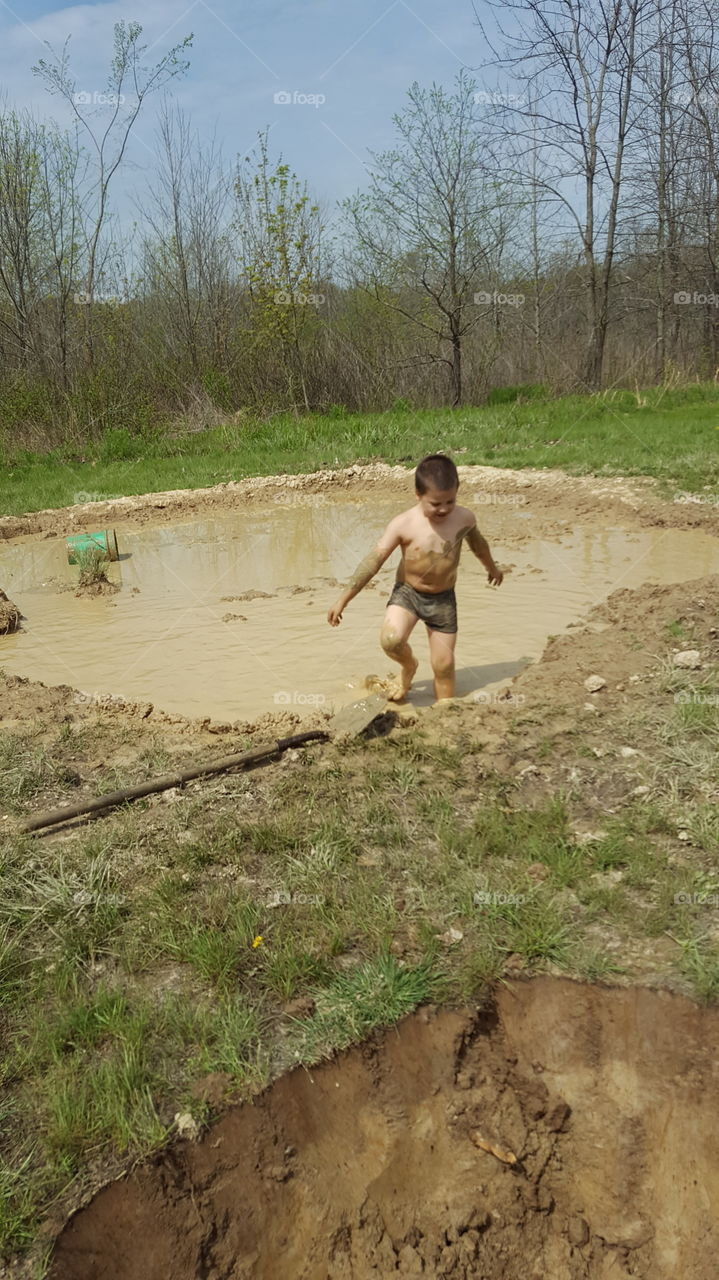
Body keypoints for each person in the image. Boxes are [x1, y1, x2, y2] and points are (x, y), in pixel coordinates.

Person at [327, 454, 504, 702]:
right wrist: (343, 600)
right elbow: (373, 561)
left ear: (457, 492)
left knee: (443, 666)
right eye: (435, 503)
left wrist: (492, 568)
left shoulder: (464, 518)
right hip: (408, 594)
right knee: (391, 640)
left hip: (443, 600)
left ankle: (445, 712)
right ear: (418, 495)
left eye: (449, 501)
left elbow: (479, 546)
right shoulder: (403, 524)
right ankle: (409, 666)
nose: (443, 509)